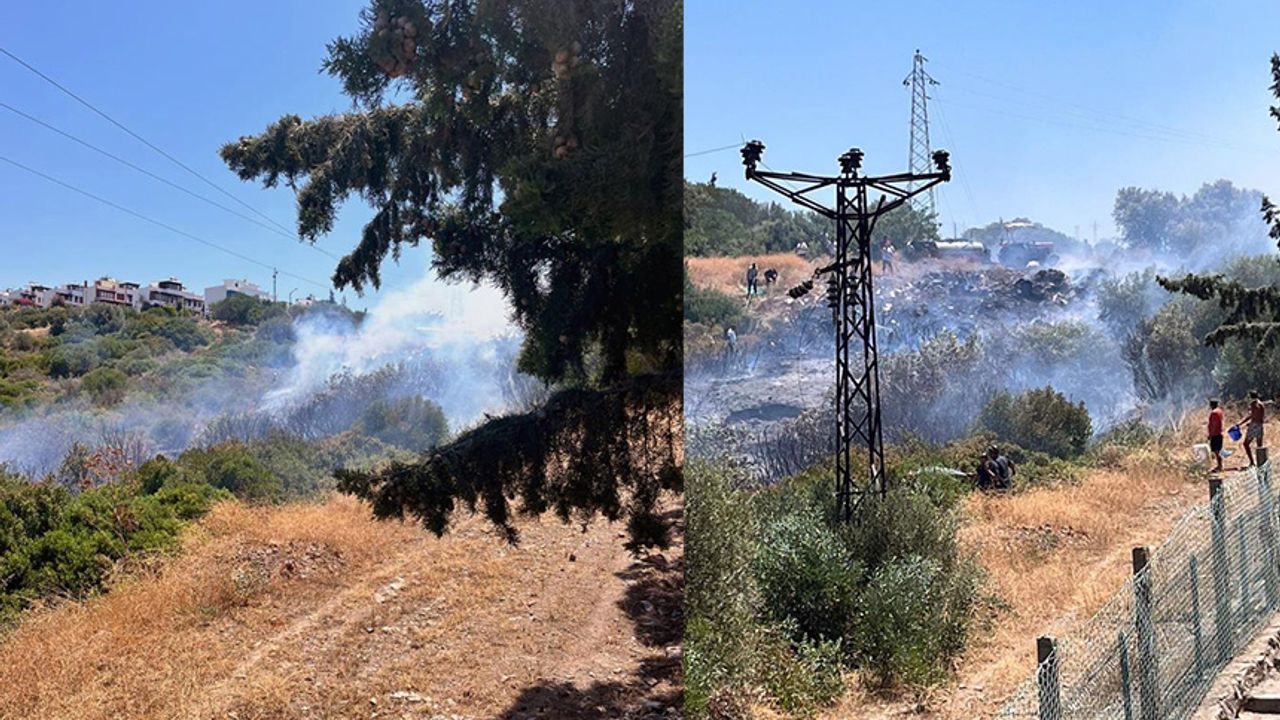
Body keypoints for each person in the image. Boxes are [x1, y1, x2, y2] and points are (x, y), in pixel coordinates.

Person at [1237, 391, 1266, 466]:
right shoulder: (1261, 404)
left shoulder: (1253, 404)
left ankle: (1252, 462)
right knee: (1259, 446)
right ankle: (1261, 463)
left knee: (1246, 444)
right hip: (1260, 425)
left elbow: (1252, 416)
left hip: (1254, 426)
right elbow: (1259, 416)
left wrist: (1242, 423)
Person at [1208, 398, 1225, 473]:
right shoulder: (1220, 411)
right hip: (1219, 433)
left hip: (1216, 434)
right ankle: (1220, 465)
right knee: (1217, 450)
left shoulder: (1214, 413)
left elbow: (1214, 424)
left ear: (1212, 405)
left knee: (1216, 451)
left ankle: (1219, 466)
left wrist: (1211, 434)